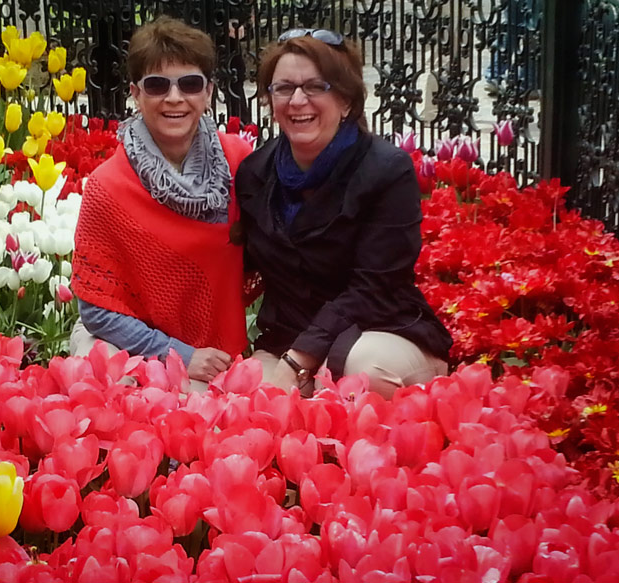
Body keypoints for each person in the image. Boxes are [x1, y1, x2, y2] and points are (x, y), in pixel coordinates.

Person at [235, 28, 452, 399]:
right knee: (250, 396)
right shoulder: (256, 173)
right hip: (288, 338)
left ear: (347, 101)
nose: (297, 100)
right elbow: (238, 264)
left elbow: (375, 287)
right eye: (283, 87)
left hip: (380, 333)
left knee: (359, 372)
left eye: (316, 87)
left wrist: (299, 360)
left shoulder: (385, 170)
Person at [70, 17, 252, 389]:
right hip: (128, 344)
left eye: (190, 84)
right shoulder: (108, 186)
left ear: (209, 92)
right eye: (156, 85)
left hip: (213, 352)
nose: (174, 98)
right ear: (136, 94)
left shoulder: (240, 164)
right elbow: (97, 310)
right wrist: (177, 355)